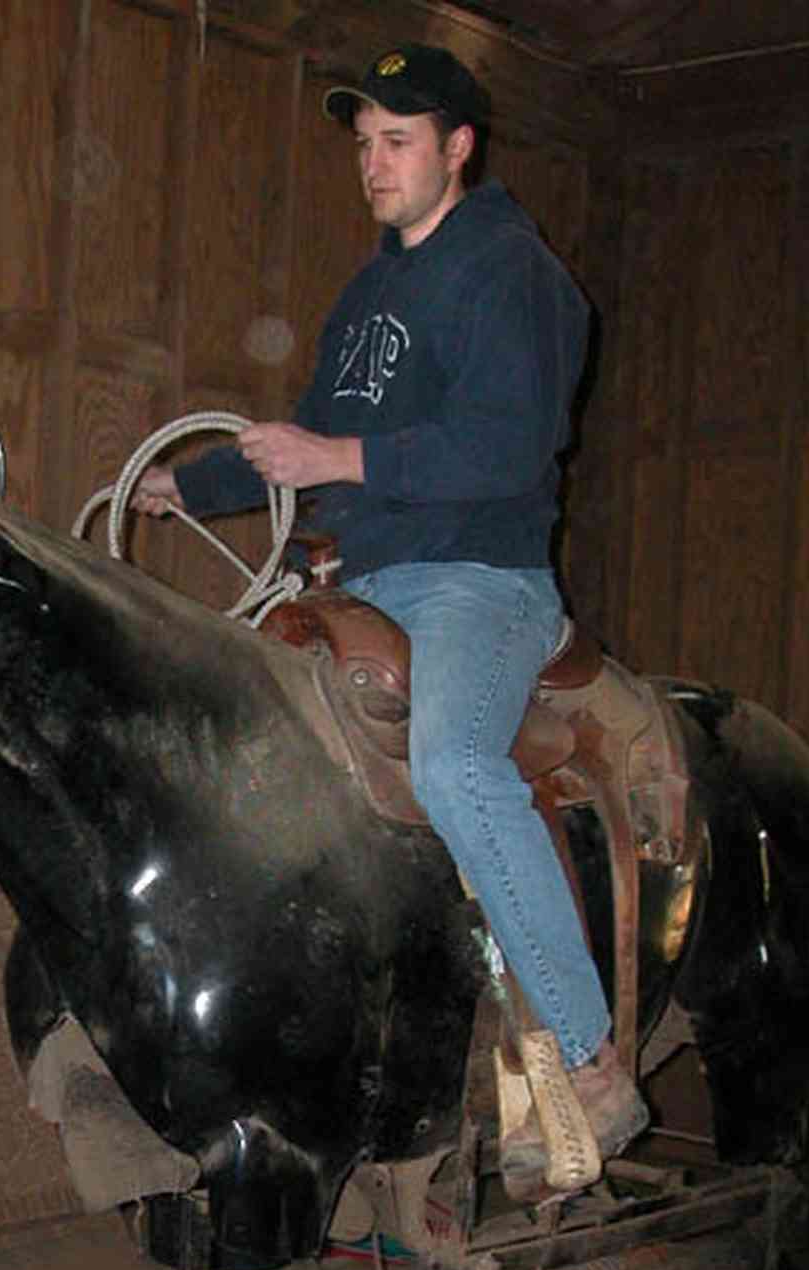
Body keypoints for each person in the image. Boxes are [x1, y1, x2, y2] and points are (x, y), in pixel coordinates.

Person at [132, 41, 647, 1185]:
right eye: (363, 144)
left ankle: (590, 1055)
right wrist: (190, 483)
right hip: (363, 582)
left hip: (479, 579)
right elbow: (304, 446)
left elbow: (507, 447)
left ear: (458, 147)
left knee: (457, 763)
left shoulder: (515, 272)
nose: (373, 163)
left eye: (396, 141)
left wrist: (339, 452)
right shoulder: (366, 296)